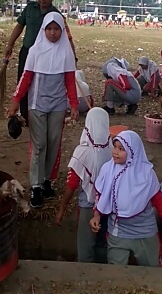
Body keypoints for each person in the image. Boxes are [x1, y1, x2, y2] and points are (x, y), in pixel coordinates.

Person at [8, 12, 79, 208]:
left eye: (56, 29)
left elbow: (70, 82)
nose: (53, 33)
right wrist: (16, 100)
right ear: (43, 30)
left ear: (62, 30)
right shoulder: (35, 50)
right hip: (37, 104)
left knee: (54, 143)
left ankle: (47, 180)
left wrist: (73, 105)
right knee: (39, 145)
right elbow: (26, 78)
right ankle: (36, 186)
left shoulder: (66, 53)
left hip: (57, 105)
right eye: (49, 29)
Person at [91, 131, 162, 266]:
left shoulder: (146, 173)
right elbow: (100, 195)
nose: (115, 152)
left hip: (144, 231)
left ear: (133, 152)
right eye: (115, 147)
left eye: (121, 149)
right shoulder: (108, 169)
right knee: (115, 272)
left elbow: (158, 199)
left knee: (151, 270)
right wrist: (96, 215)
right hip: (118, 231)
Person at [3, 0, 78, 124]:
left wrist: (72, 56)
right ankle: (25, 115)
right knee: (23, 80)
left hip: (47, 56)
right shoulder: (30, 9)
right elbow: (19, 25)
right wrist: (10, 44)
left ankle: (38, 113)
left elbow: (67, 36)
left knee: (39, 84)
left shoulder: (56, 15)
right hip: (28, 52)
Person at [55, 108, 112, 263]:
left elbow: (72, 183)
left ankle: (86, 276)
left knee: (85, 246)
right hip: (108, 204)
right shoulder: (112, 148)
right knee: (102, 243)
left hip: (89, 205)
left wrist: (62, 208)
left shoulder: (83, 151)